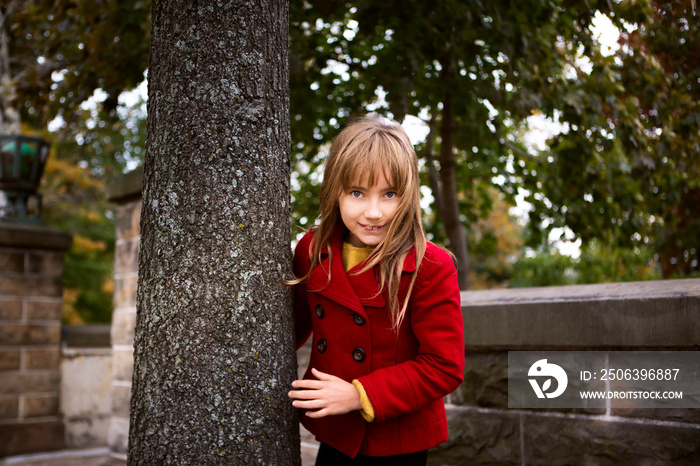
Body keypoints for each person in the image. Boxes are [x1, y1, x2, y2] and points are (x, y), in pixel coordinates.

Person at [287, 116, 464, 465]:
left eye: (390, 194)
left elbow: (444, 366)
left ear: (409, 195)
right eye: (356, 192)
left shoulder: (431, 266)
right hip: (336, 430)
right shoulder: (312, 249)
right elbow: (289, 327)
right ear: (334, 191)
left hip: (396, 438)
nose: (373, 212)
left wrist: (359, 394)